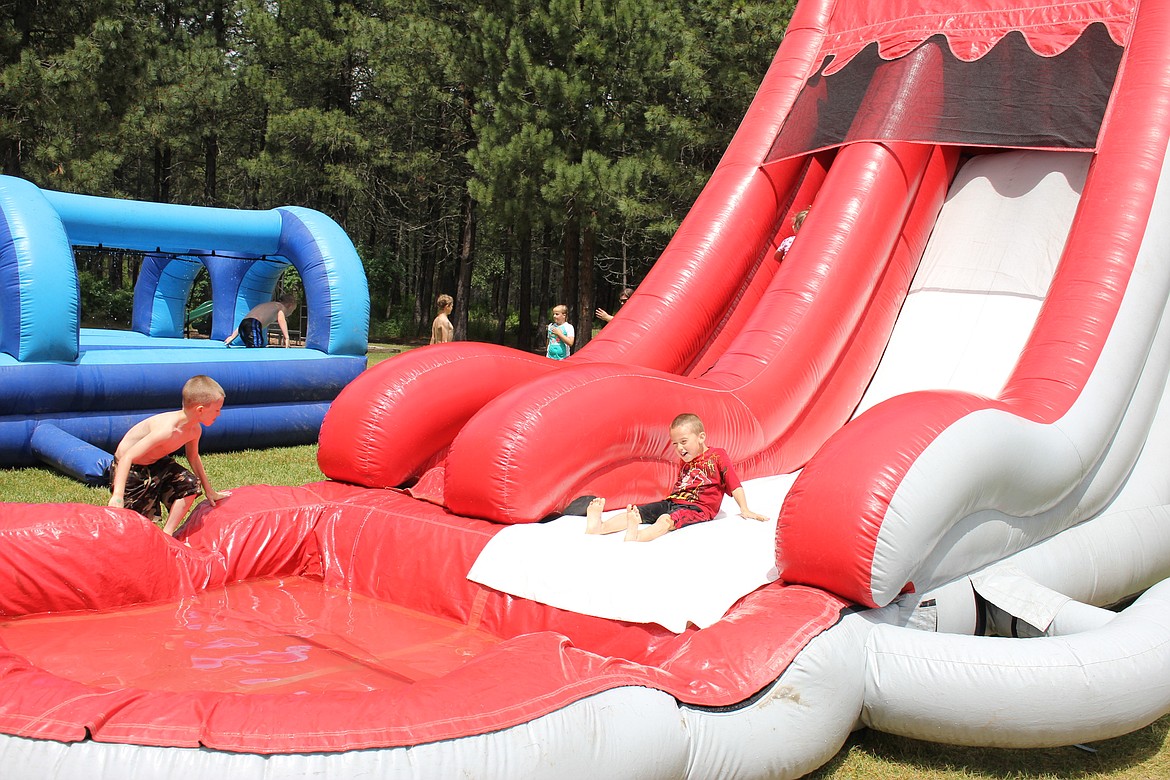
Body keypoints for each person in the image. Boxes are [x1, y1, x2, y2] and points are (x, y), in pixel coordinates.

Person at [585, 412, 768, 542]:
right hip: (674, 500)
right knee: (638, 511)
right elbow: (681, 485)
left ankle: (639, 536)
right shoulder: (684, 461)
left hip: (698, 508)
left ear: (701, 437)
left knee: (667, 519)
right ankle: (599, 527)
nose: (679, 448)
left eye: (683, 442)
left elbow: (734, 484)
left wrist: (745, 509)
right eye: (675, 444)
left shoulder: (718, 456)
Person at [107, 374, 231, 536]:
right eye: (216, 410)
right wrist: (118, 495)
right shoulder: (166, 430)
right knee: (132, 521)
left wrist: (210, 490)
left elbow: (193, 457)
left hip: (157, 463)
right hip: (131, 468)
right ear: (200, 410)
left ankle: (167, 533)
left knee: (190, 485)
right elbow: (127, 457)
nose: (219, 414)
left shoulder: (194, 430)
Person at [224, 294, 297, 348]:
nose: (291, 313)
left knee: (252, 346)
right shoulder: (280, 307)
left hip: (243, 326)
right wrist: (286, 337)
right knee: (256, 347)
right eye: (292, 311)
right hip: (253, 324)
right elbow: (281, 320)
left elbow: (247, 320)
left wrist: (232, 336)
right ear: (289, 305)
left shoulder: (268, 305)